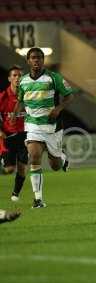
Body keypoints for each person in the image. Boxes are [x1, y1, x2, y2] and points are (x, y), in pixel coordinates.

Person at [14, 47, 74, 208]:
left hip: (52, 127)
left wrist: (58, 109)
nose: (36, 60)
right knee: (34, 157)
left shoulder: (53, 78)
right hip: (33, 125)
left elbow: (70, 96)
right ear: (28, 60)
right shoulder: (23, 81)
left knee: (55, 166)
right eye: (33, 57)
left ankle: (61, 156)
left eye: (39, 57)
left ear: (43, 60)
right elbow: (20, 100)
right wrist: (14, 115)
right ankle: (38, 199)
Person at [0, 65, 28, 202]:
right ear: (9, 78)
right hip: (8, 138)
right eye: (14, 75)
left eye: (20, 76)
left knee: (22, 168)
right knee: (10, 169)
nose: (17, 78)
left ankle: (15, 194)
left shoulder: (28, 96)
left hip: (25, 136)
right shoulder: (3, 97)